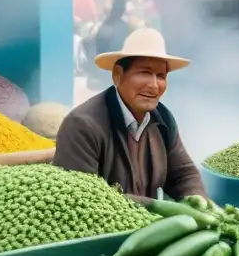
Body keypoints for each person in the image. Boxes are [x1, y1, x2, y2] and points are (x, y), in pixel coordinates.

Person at [54, 27, 207, 201]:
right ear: (118, 75)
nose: (154, 85)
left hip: (149, 224)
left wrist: (198, 200)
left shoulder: (163, 119)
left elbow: (182, 173)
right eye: (144, 73)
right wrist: (154, 207)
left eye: (161, 76)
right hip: (107, 227)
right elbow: (82, 199)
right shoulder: (82, 125)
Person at [86, 0, 132, 91]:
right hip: (113, 72)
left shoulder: (106, 24)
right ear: (123, 9)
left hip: (105, 69)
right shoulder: (123, 27)